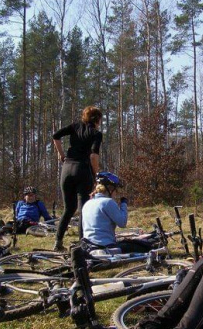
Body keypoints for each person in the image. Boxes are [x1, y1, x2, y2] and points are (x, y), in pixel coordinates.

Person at [52, 106, 103, 251]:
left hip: (67, 169)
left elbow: (56, 135)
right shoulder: (96, 134)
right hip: (82, 169)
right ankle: (82, 244)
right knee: (83, 209)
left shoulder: (74, 126)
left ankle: (58, 241)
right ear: (98, 119)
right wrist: (96, 175)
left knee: (68, 208)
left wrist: (61, 154)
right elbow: (93, 156)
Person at [81, 172, 154, 254]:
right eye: (116, 190)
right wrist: (124, 204)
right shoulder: (108, 202)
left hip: (89, 245)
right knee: (143, 246)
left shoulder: (87, 203)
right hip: (105, 246)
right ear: (110, 189)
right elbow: (122, 223)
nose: (117, 193)